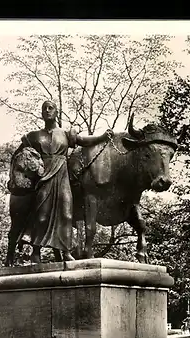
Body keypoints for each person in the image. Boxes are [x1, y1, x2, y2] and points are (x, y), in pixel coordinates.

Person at [10, 100, 113, 263]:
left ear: (57, 112)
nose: (47, 111)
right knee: (41, 215)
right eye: (44, 108)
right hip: (44, 176)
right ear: (41, 113)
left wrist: (101, 137)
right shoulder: (34, 136)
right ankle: (36, 252)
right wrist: (16, 175)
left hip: (62, 175)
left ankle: (65, 252)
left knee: (66, 213)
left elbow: (84, 141)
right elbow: (18, 155)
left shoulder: (66, 133)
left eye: (51, 108)